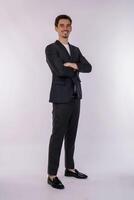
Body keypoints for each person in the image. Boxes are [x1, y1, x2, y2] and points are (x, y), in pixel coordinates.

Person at [45, 14, 92, 189]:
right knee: (57, 136)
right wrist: (74, 66)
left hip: (75, 96)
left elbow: (88, 67)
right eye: (62, 25)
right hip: (61, 98)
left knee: (71, 135)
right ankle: (51, 175)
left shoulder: (76, 50)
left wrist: (74, 65)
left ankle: (70, 168)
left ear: (71, 28)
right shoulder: (51, 48)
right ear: (56, 28)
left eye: (68, 25)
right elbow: (59, 71)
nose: (65, 28)